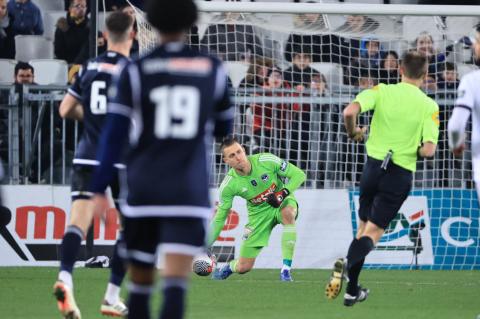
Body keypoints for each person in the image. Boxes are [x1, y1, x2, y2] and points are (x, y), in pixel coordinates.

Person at [89, 0, 233, 318]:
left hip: (145, 187)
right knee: (175, 284)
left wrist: (99, 188)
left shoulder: (135, 70)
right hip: (188, 189)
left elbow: (113, 136)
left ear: (149, 22)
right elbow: (225, 127)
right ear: (191, 23)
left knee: (140, 284)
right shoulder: (212, 68)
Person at [325, 50, 439, 306]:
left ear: (400, 70)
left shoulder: (382, 91)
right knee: (373, 232)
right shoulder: (429, 105)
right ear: (425, 74)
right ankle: (348, 265)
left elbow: (348, 111)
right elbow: (429, 151)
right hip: (399, 172)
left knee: (362, 227)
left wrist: (354, 132)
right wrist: (414, 149)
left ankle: (352, 290)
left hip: (372, 169)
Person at [52, 11, 135, 319]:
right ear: (132, 35)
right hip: (122, 160)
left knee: (77, 223)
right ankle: (111, 296)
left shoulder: (87, 67)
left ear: (104, 36)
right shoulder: (132, 70)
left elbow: (65, 109)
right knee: (131, 228)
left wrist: (95, 122)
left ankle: (64, 278)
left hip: (87, 154)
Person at [210, 136, 306, 281]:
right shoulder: (228, 185)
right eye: (232, 155)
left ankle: (286, 270)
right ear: (226, 161)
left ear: (244, 149)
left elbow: (299, 175)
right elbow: (219, 219)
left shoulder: (266, 160)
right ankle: (229, 267)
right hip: (258, 215)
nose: (238, 157)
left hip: (281, 201)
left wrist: (282, 193)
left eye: (239, 152)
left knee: (288, 214)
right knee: (244, 267)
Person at [448, 24, 480, 193]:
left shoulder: (472, 81)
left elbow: (455, 125)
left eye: (477, 42)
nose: (474, 47)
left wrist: (456, 143)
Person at [54, 0, 89, 64]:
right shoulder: (62, 26)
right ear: (70, 9)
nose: (81, 9)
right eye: (77, 6)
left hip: (86, 65)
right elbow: (59, 52)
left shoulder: (90, 25)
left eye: (83, 6)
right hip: (67, 65)